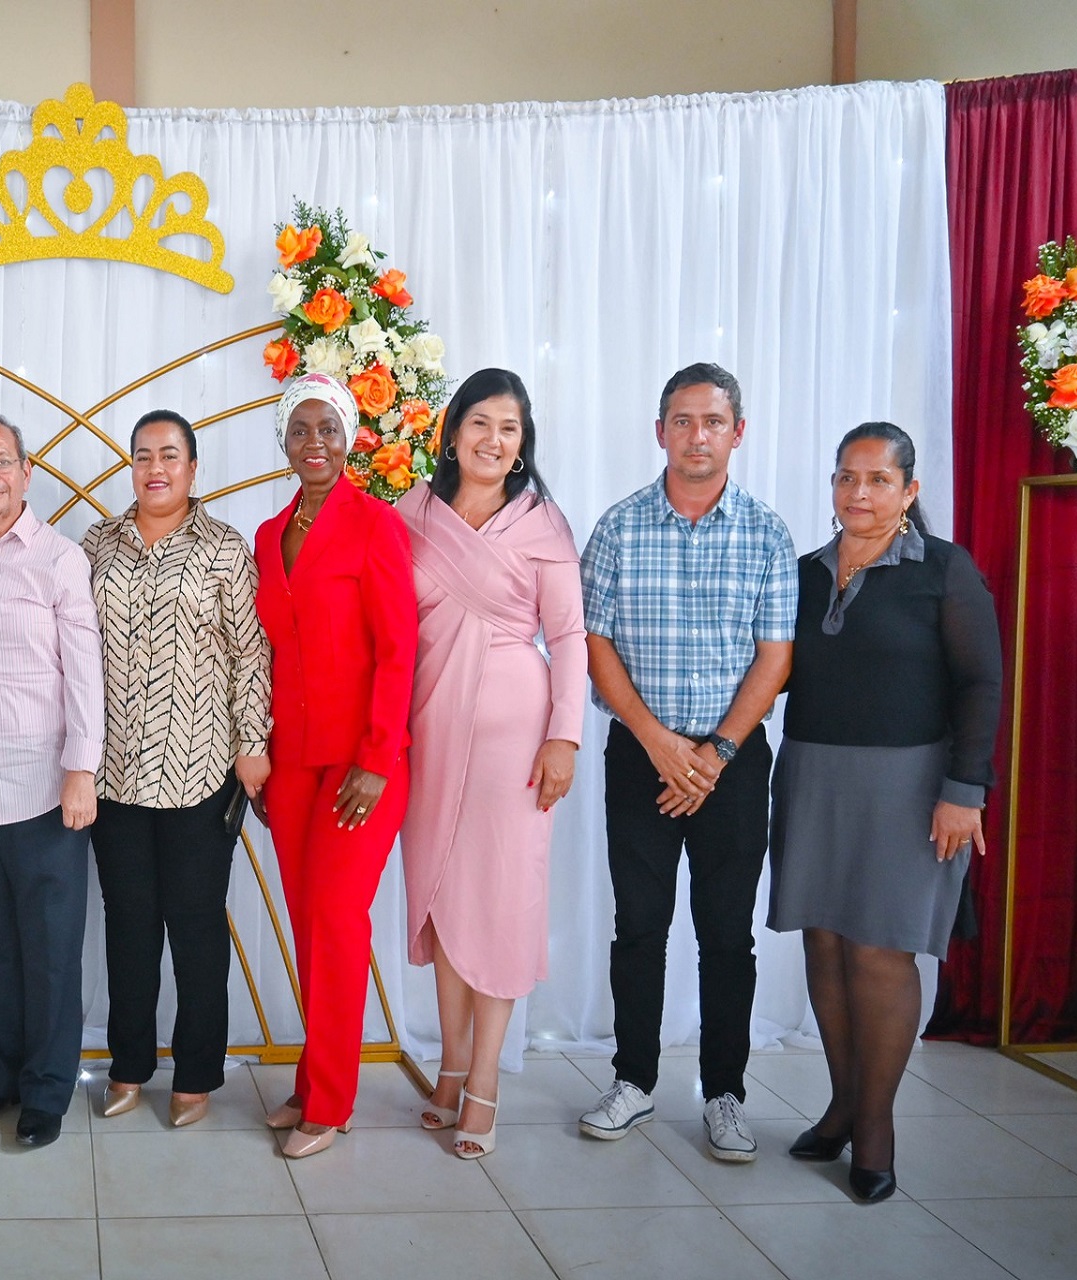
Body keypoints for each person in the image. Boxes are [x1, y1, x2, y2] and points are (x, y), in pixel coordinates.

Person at [769, 422, 1000, 1203]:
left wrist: (965, 790)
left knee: (879, 951)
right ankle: (841, 1105)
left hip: (911, 785)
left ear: (909, 491)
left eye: (877, 479)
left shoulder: (944, 569)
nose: (858, 493)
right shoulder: (804, 572)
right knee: (825, 940)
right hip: (814, 775)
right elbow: (770, 668)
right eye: (846, 477)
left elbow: (981, 684)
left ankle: (875, 1130)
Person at [576, 362, 797, 1163]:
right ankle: (633, 1081)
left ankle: (724, 1094)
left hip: (731, 762)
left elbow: (775, 656)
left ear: (738, 433)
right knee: (639, 926)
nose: (696, 435)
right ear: (659, 431)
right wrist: (659, 743)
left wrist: (715, 752)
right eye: (681, 420)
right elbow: (594, 643)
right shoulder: (618, 527)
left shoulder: (767, 533)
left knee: (726, 935)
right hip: (642, 756)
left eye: (712, 421)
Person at [397, 369, 586, 1159]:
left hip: (516, 733)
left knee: (501, 899)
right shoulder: (412, 513)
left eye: (509, 428)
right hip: (429, 725)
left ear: (522, 443)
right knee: (442, 893)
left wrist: (564, 736)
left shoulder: (542, 523)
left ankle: (484, 1083)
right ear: (452, 433)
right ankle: (449, 1065)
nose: (493, 440)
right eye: (479, 423)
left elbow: (568, 636)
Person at [83, 409, 272, 1128]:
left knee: (196, 931)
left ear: (193, 468)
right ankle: (128, 1066)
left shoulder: (224, 548)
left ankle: (196, 1074)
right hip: (114, 774)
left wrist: (253, 743)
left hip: (201, 770)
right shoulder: (97, 544)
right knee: (128, 929)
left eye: (169, 455)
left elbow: (250, 654)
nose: (155, 467)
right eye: (142, 455)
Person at [252, 373, 418, 1159]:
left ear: (349, 437)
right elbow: (264, 651)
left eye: (327, 428)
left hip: (362, 763)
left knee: (337, 920)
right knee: (307, 923)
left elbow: (397, 649)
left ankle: (331, 1100)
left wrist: (377, 759)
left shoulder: (376, 524)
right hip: (292, 764)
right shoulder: (268, 534)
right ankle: (315, 1078)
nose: (313, 442)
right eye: (300, 429)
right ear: (284, 442)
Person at [0, 410, 104, 1149]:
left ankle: (45, 1092)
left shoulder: (59, 559)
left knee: (50, 953)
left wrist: (81, 769)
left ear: (26, 472)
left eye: (2, 461)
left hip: (45, 788)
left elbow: (84, 675)